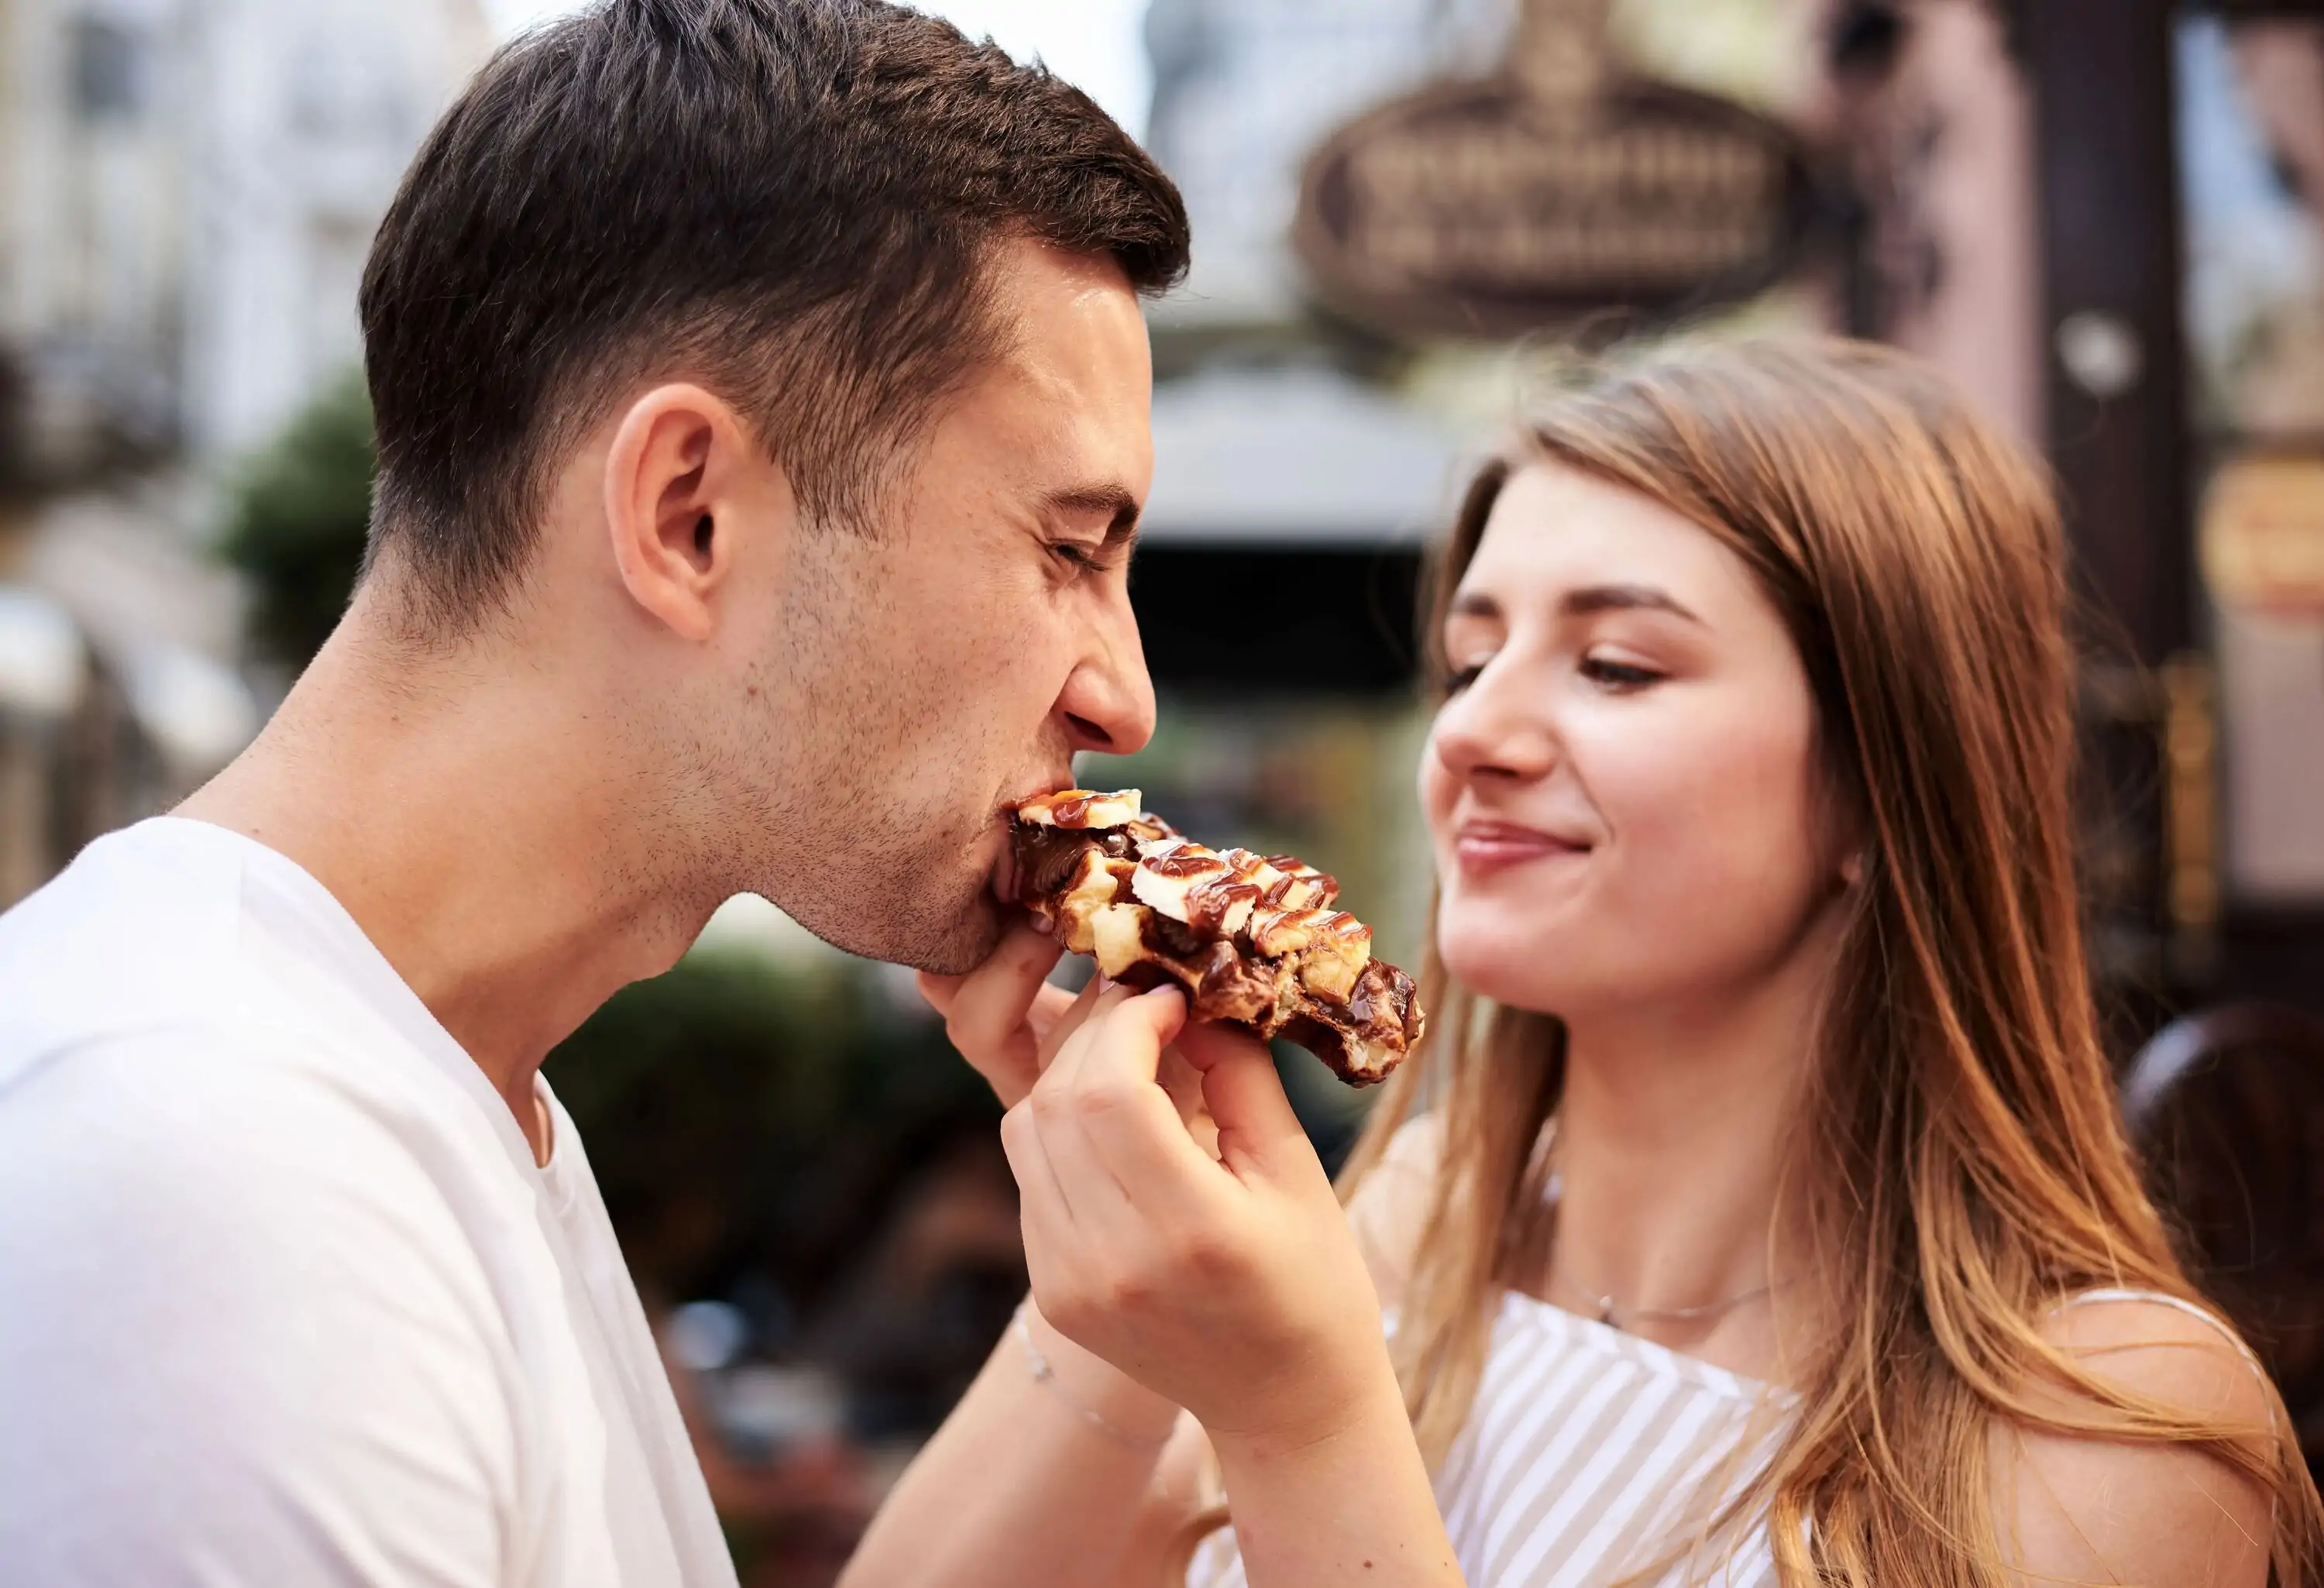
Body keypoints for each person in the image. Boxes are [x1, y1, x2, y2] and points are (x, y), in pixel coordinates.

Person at [0, 1, 1187, 1582]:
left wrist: (1144, 1311)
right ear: (690, 515)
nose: (1124, 690)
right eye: (1067, 549)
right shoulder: (224, 1181)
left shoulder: (429, 1089)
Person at [844, 339, 2324, 1588]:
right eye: (1472, 658)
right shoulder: (1395, 1227)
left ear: (1886, 786)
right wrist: (1121, 1275)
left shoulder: (2110, 1430)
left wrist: (1299, 1421)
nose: (1474, 732)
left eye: (1616, 664)